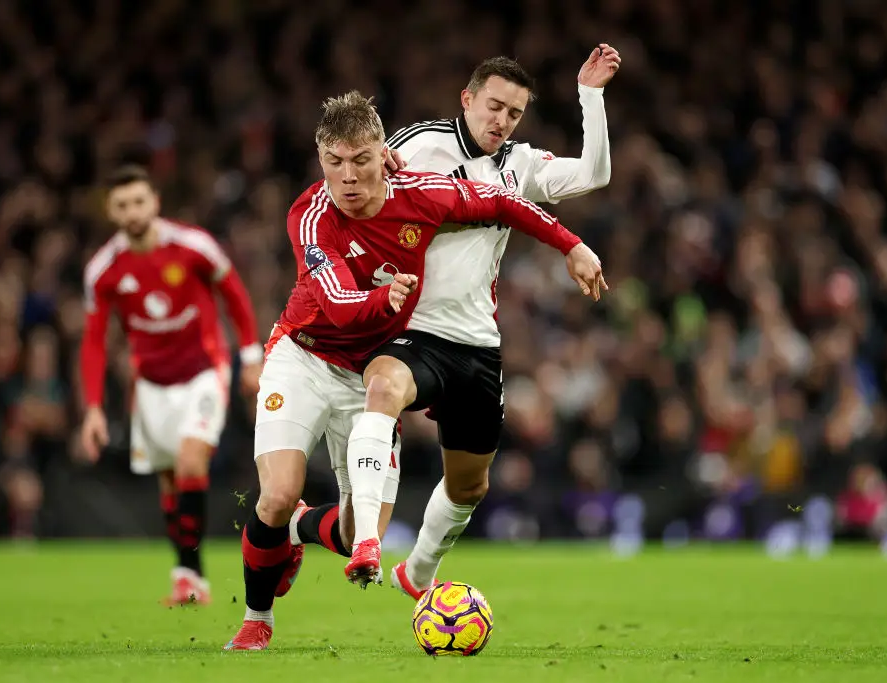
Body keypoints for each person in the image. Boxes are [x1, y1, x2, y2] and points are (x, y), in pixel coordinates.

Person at [224, 90, 602, 651]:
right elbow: (336, 303)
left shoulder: (421, 194)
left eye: (359, 160)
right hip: (302, 356)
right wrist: (386, 299)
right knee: (276, 494)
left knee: (358, 532)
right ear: (320, 158)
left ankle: (305, 529)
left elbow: (502, 204)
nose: (346, 177)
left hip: (368, 371)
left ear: (384, 153)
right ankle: (258, 619)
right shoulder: (310, 214)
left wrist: (569, 243)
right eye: (333, 162)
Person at [292, 48, 620, 595]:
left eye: (514, 114)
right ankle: (369, 541)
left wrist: (591, 95)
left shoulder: (520, 166)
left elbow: (594, 174)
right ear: (467, 99)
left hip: (476, 342)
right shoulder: (418, 144)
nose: (502, 121)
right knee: (383, 389)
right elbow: (346, 184)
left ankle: (414, 573)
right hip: (407, 326)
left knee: (469, 486)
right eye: (494, 106)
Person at [79, 165, 264, 606]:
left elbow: (235, 294)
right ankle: (188, 576)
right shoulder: (103, 270)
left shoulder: (193, 245)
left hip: (204, 369)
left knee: (189, 462)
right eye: (122, 205)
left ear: (155, 202)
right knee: (169, 482)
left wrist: (251, 356)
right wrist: (92, 408)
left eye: (139, 201)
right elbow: (93, 342)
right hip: (150, 384)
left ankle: (190, 574)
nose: (132, 212)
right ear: (111, 211)